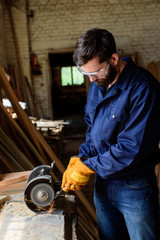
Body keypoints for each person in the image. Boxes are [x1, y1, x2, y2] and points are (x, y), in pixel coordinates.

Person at [61, 28, 160, 240]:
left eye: (95, 72)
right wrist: (82, 157)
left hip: (134, 187)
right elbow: (92, 130)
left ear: (113, 59)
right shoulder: (98, 85)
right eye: (85, 74)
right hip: (103, 185)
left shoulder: (143, 88)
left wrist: (88, 166)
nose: (91, 79)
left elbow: (132, 147)